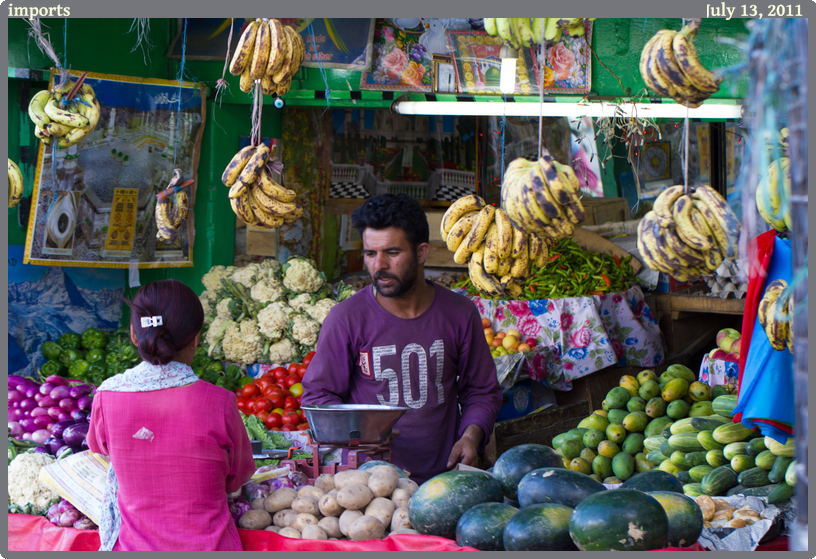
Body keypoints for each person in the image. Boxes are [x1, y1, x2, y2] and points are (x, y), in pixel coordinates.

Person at [302, 194, 502, 483]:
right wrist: (362, 436)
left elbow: (481, 391)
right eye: (370, 253)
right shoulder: (346, 318)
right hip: (369, 487)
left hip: (445, 479)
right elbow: (319, 398)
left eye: (392, 253)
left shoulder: (459, 313)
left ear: (421, 252)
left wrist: (471, 436)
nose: (379, 265)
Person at [86, 280, 255, 551]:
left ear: (133, 335)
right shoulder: (221, 402)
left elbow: (100, 449)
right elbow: (238, 477)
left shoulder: (107, 397)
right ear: (197, 338)